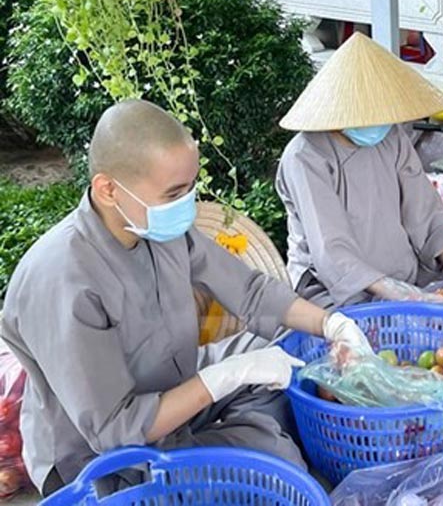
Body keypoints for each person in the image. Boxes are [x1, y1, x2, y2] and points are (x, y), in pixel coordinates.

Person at [1, 100, 372, 495]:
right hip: (105, 458)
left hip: (173, 384)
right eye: (174, 193)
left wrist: (332, 324)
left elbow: (249, 290)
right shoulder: (64, 280)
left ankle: (241, 436)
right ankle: (238, 447)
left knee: (288, 354)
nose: (188, 205)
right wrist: (228, 376)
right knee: (271, 461)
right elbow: (116, 429)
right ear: (108, 189)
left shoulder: (155, 228)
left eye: (191, 188)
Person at [276, 32, 443, 317]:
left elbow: (425, 211)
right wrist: (400, 294)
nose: (379, 124)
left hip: (402, 274)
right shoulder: (305, 157)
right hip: (332, 288)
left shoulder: (390, 136)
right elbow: (331, 251)